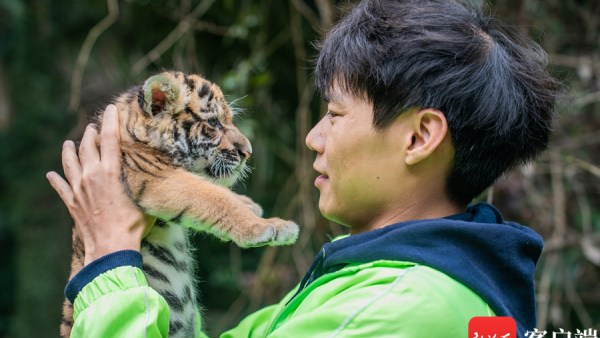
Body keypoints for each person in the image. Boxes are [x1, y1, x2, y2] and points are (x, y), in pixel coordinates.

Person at [47, 0, 560, 337]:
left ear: (419, 137)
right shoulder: (354, 286)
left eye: (334, 115)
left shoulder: (393, 311)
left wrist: (110, 260)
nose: (313, 137)